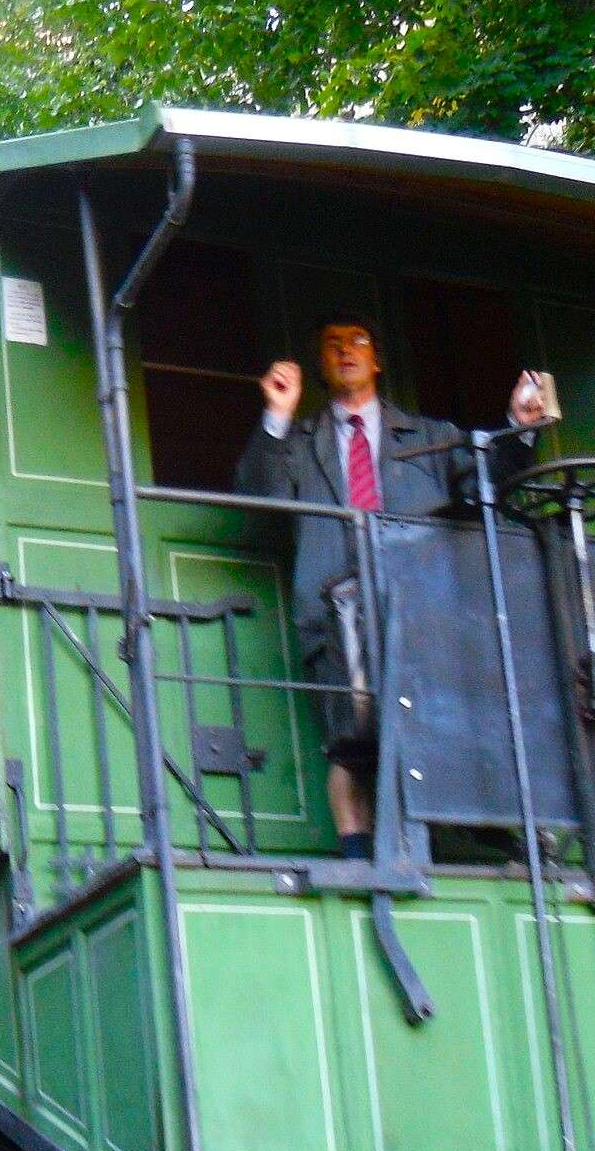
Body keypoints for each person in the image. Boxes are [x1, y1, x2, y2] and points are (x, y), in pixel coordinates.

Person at [235, 316, 558, 858]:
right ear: (320, 365)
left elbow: (484, 487)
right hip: (334, 611)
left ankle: (487, 833)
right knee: (352, 743)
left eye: (357, 341)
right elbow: (259, 496)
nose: (345, 351)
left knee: (448, 725)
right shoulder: (302, 442)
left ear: (377, 360)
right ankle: (361, 863)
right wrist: (278, 416)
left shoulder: (429, 437)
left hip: (424, 606)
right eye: (332, 344)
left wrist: (518, 427)